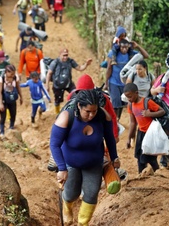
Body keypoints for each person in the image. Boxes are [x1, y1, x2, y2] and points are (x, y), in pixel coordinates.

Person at [49, 89, 120, 225]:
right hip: (70, 163)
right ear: (79, 106)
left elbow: (110, 139)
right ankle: (67, 208)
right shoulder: (66, 117)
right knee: (71, 194)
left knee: (91, 193)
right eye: (88, 111)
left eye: (94, 111)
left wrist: (114, 157)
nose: (92, 115)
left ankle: (83, 222)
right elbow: (54, 144)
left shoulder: (102, 117)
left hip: (94, 162)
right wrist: (62, 168)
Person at [123, 83, 165, 173]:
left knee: (150, 158)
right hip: (141, 133)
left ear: (136, 93)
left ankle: (158, 175)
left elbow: (162, 111)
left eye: (130, 96)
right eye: (127, 97)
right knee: (139, 157)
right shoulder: (130, 105)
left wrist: (150, 114)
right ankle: (141, 175)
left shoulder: (146, 102)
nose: (129, 99)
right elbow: (133, 123)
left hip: (151, 134)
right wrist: (129, 138)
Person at [105, 39, 149, 121]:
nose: (124, 49)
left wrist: (138, 46)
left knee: (121, 103)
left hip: (125, 84)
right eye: (122, 47)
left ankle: (117, 119)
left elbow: (146, 56)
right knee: (115, 102)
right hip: (114, 82)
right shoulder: (113, 54)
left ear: (128, 47)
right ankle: (114, 120)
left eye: (126, 47)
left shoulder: (131, 55)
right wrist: (106, 82)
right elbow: (109, 68)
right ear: (119, 47)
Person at [46, 48, 93, 114]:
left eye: (66, 55)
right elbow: (49, 73)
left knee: (76, 95)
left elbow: (79, 68)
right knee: (57, 101)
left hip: (68, 84)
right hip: (57, 85)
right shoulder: (55, 62)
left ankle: (76, 110)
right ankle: (57, 113)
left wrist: (86, 64)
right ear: (60, 55)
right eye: (63, 55)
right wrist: (47, 85)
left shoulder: (70, 61)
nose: (65, 57)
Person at [0, 65, 23, 138]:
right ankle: (2, 132)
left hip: (12, 99)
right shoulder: (1, 79)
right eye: (11, 74)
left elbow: (18, 87)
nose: (12, 75)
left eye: (13, 73)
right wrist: (0, 103)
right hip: (4, 100)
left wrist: (21, 97)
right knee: (3, 116)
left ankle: (11, 128)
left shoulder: (15, 78)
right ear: (6, 72)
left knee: (13, 114)